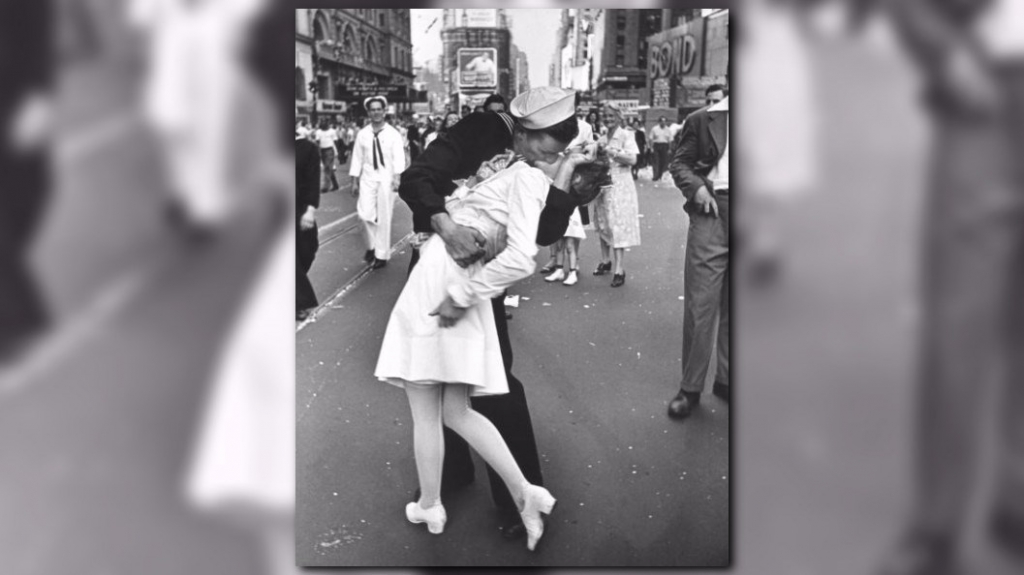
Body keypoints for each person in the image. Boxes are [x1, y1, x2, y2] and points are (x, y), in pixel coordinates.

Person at [375, 147, 606, 550]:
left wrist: (460, 293)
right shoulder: (530, 183)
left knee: (428, 410)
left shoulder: (524, 177)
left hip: (443, 277)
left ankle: (434, 504)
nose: (524, 149)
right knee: (454, 410)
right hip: (460, 276)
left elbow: (520, 255)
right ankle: (520, 493)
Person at [875, 1, 1024, 574]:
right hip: (990, 88)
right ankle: (938, 525)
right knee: (961, 323)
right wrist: (944, 50)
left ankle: (1017, 497)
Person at [666, 95, 730, 419]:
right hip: (713, 211)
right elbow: (679, 163)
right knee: (701, 304)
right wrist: (697, 188)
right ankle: (690, 388)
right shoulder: (703, 119)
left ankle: (727, 380)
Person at [541, 94, 598, 285]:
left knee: (573, 226)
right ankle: (556, 263)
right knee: (552, 219)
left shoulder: (585, 128)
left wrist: (583, 151)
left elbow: (591, 153)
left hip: (575, 181)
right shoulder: (551, 126)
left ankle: (574, 264)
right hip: (553, 177)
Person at [350, 96, 406, 269]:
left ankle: (381, 255)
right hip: (368, 178)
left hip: (386, 179)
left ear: (384, 111)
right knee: (364, 215)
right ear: (368, 112)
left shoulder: (393, 134)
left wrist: (397, 178)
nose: (376, 112)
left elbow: (399, 158)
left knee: (384, 216)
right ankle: (371, 247)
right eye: (372, 109)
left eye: (378, 109)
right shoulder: (363, 134)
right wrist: (354, 181)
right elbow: (357, 158)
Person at [592, 103, 641, 288]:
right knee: (603, 223)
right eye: (605, 115)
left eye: (612, 116)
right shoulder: (603, 136)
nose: (608, 119)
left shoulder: (627, 135)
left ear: (619, 117)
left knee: (617, 225)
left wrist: (611, 152)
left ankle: (619, 269)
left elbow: (632, 159)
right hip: (603, 184)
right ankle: (605, 260)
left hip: (620, 185)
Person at [296, 124, 320, 321]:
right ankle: (301, 302)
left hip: (300, 209)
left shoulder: (307, 148)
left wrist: (310, 210)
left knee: (307, 251)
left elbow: (313, 181)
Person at [313, 120, 340, 192]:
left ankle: (326, 187)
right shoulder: (318, 132)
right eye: (322, 123)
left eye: (325, 123)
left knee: (327, 168)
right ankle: (335, 184)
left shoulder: (332, 131)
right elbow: (317, 142)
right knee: (328, 168)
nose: (323, 124)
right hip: (322, 150)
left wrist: (336, 151)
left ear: (328, 124)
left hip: (329, 150)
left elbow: (336, 141)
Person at [650, 116, 673, 182]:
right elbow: (651, 139)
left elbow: (670, 140)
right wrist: (651, 147)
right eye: (662, 121)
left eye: (664, 121)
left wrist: (670, 149)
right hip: (656, 145)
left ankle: (660, 175)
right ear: (659, 122)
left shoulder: (668, 130)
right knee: (656, 161)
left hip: (664, 146)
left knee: (663, 161)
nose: (663, 123)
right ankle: (655, 176)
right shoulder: (654, 129)